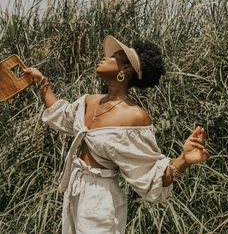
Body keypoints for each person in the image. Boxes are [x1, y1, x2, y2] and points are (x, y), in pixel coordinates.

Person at [23, 35, 209, 234]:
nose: (105, 57)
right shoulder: (89, 101)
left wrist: (184, 160)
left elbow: (151, 173)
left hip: (102, 202)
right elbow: (61, 114)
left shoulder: (134, 117)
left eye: (116, 57)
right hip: (75, 192)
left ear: (125, 70)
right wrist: (41, 81)